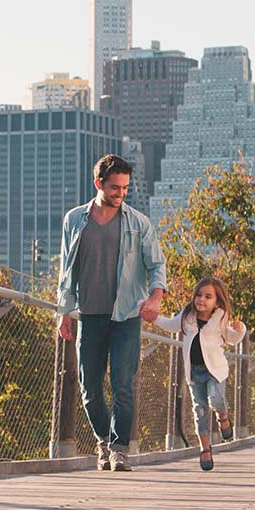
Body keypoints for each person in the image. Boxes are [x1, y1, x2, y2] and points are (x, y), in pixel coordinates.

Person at [57, 154, 167, 472]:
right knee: (89, 388)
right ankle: (103, 440)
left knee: (122, 385)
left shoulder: (138, 223)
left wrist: (156, 297)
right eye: (115, 187)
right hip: (90, 315)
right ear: (98, 184)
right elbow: (66, 270)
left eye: (125, 188)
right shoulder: (74, 220)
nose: (121, 193)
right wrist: (63, 311)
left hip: (126, 316)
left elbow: (157, 265)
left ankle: (119, 450)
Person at [153, 277, 246, 471]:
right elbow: (171, 325)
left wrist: (240, 330)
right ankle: (205, 448)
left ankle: (223, 417)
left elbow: (232, 338)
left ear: (217, 302)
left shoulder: (220, 318)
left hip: (215, 371)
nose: (201, 299)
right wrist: (154, 318)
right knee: (200, 409)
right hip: (194, 372)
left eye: (208, 297)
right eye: (199, 295)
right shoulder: (187, 315)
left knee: (216, 400)